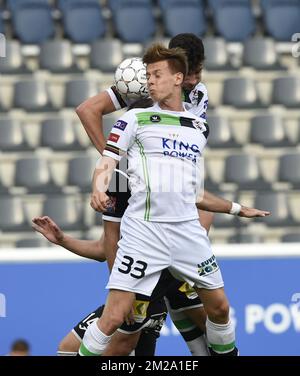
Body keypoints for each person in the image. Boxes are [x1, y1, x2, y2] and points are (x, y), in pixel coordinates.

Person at [78, 43, 269, 357]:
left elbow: (193, 192)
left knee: (220, 309)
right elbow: (108, 161)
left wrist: (236, 208)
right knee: (113, 316)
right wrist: (99, 187)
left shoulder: (198, 128)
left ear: (178, 78)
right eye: (148, 75)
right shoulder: (134, 119)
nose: (150, 81)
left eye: (157, 74)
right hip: (143, 233)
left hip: (185, 233)